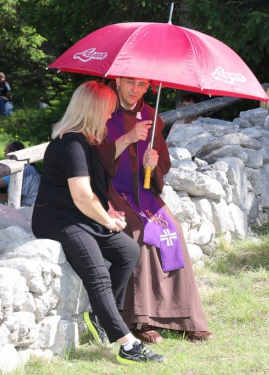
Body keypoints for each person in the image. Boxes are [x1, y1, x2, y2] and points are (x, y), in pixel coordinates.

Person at [31, 81, 165, 365]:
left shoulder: (87, 141)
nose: (109, 116)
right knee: (98, 274)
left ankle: (103, 316)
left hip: (79, 216)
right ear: (92, 110)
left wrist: (105, 212)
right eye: (107, 111)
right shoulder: (69, 143)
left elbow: (95, 188)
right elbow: (81, 195)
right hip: (57, 218)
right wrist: (106, 219)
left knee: (128, 251)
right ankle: (127, 344)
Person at [105, 76, 214, 344]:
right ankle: (140, 318)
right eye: (131, 82)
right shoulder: (102, 110)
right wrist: (128, 138)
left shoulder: (150, 115)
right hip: (111, 192)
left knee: (172, 230)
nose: (136, 90)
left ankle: (186, 316)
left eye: (142, 85)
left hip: (143, 191)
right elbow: (92, 158)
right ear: (118, 80)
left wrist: (152, 163)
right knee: (139, 233)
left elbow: (163, 161)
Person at [0, 141, 40, 207]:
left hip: (26, 209)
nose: (4, 151)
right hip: (20, 206)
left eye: (5, 149)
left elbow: (17, 198)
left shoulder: (25, 169)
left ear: (10, 153)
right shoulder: (20, 168)